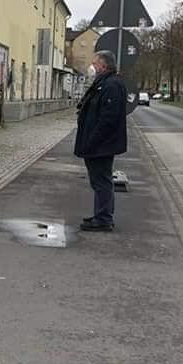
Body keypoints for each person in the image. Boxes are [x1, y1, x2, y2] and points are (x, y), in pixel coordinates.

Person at [74, 49, 127, 232]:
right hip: (98, 144)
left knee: (102, 180)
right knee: (99, 181)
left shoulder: (111, 85)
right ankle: (101, 215)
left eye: (95, 63)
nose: (93, 67)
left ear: (103, 65)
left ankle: (103, 218)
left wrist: (92, 140)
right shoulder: (104, 83)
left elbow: (108, 119)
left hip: (102, 145)